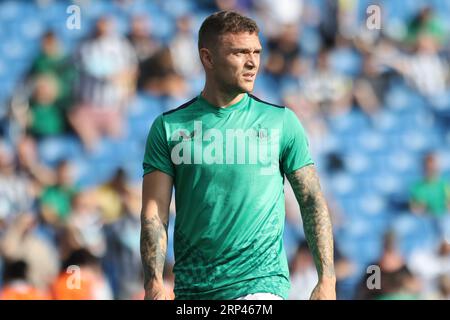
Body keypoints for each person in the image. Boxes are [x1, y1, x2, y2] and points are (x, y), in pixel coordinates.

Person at [140, 11, 335, 300]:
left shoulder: (280, 122)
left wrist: (327, 280)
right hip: (193, 291)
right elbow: (154, 213)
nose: (252, 62)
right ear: (208, 58)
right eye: (240, 52)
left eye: (256, 52)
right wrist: (154, 281)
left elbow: (311, 200)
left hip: (260, 286)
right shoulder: (169, 128)